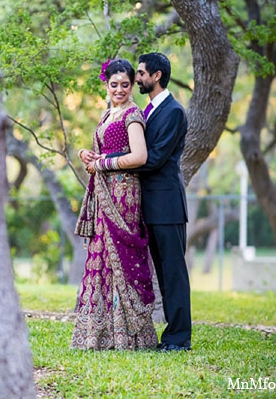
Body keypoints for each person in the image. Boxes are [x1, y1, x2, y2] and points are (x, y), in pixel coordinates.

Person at [71, 58, 158, 351]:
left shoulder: (132, 115)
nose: (119, 89)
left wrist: (103, 164)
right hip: (104, 191)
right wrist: (88, 154)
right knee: (103, 257)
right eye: (114, 85)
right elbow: (103, 152)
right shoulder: (109, 112)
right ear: (106, 85)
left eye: (125, 84)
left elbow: (139, 156)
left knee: (120, 256)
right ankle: (100, 333)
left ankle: (130, 335)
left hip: (123, 194)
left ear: (133, 85)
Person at [132, 52, 192, 351]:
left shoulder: (174, 111)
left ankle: (179, 338)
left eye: (141, 73)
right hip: (151, 207)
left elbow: (154, 159)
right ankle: (172, 335)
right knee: (164, 274)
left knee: (173, 274)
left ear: (156, 76)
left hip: (167, 207)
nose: (137, 77)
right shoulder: (149, 110)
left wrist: (113, 162)